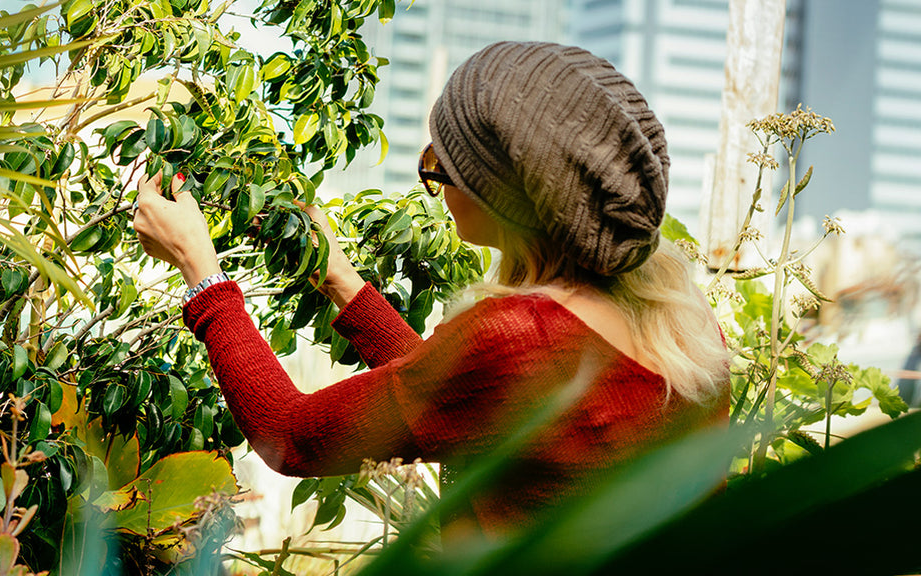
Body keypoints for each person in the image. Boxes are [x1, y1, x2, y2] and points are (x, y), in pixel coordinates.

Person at [132, 42, 730, 537]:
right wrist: (341, 279)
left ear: (504, 191)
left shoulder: (521, 340)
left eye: (443, 161)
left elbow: (291, 435)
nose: (434, 176)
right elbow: (460, 393)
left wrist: (201, 271)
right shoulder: (684, 328)